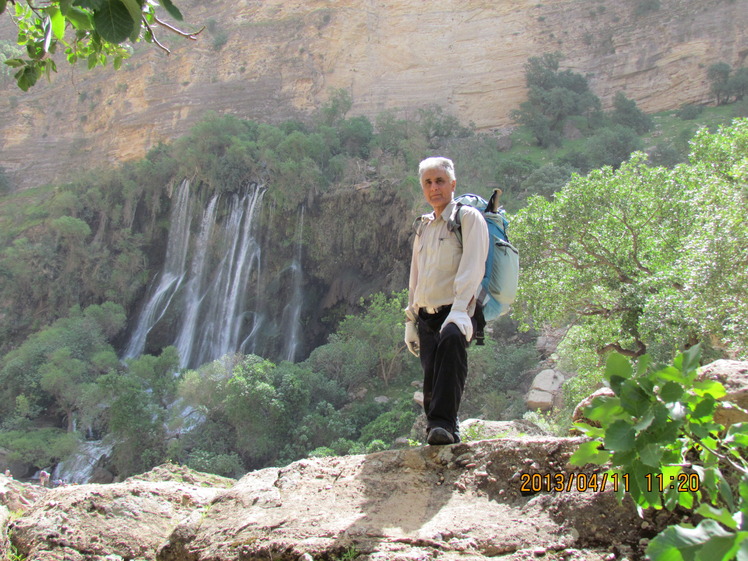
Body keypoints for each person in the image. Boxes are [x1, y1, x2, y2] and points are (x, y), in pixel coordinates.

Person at [405, 157, 488, 445]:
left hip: (458, 310)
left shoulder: (467, 218)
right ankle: (437, 429)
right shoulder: (423, 227)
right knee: (431, 374)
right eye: (427, 182)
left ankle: (445, 425)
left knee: (452, 349)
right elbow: (415, 275)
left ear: (452, 184)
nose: (434, 187)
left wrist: (460, 310)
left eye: (439, 181)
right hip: (426, 315)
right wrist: (410, 320)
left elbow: (473, 265)